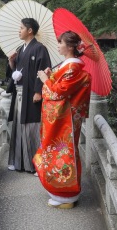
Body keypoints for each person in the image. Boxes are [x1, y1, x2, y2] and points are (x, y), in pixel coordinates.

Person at [33, 30, 92, 209]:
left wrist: (45, 80)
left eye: (60, 43)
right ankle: (60, 192)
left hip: (64, 118)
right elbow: (59, 85)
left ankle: (66, 194)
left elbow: (60, 92)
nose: (58, 45)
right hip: (62, 117)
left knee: (63, 152)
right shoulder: (68, 65)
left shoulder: (73, 67)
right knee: (58, 151)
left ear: (70, 46)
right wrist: (51, 75)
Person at [7, 17, 52, 173]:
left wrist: (38, 91)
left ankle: (35, 165)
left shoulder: (40, 49)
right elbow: (16, 72)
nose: (19, 31)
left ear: (30, 30)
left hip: (31, 94)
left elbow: (44, 70)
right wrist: (11, 62)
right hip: (20, 93)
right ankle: (19, 163)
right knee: (19, 127)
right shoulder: (21, 49)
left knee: (32, 127)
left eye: (21, 28)